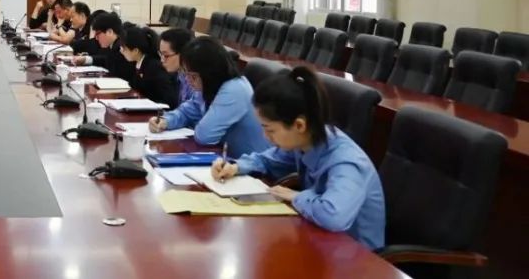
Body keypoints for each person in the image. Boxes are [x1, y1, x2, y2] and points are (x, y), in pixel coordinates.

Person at [210, 67, 386, 250]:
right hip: (319, 238)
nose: (265, 137)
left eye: (270, 130)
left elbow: (334, 217)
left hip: (356, 255)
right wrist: (235, 167)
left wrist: (296, 196)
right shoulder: (306, 140)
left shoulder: (346, 162)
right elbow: (267, 160)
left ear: (299, 125)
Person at [151, 36, 269, 158]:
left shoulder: (235, 89)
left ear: (209, 72)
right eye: (186, 74)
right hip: (224, 158)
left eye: (193, 76)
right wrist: (166, 121)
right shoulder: (208, 85)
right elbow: (187, 112)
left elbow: (205, 135)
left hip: (250, 164)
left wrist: (195, 121)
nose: (188, 80)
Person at [119, 26, 179, 105]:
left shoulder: (153, 67)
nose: (121, 51)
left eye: (124, 48)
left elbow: (169, 99)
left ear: (135, 51)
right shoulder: (137, 63)